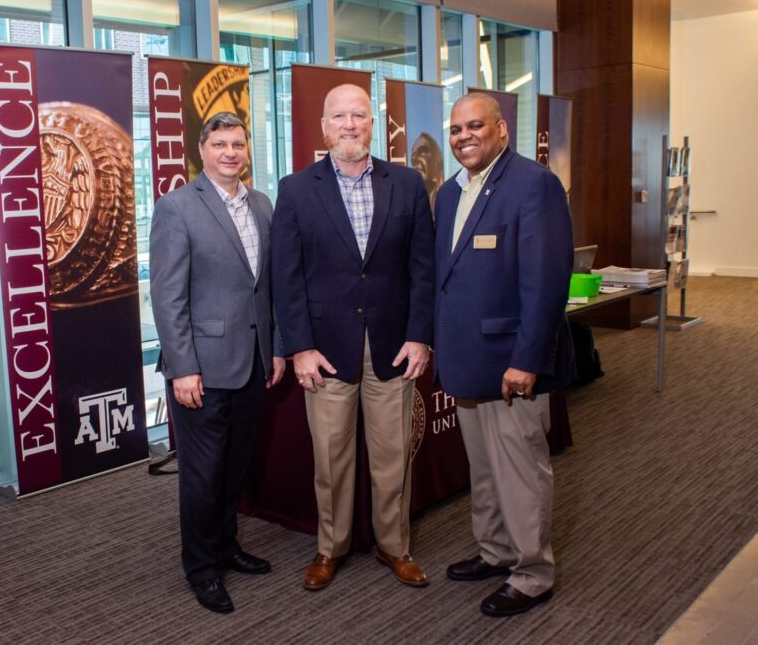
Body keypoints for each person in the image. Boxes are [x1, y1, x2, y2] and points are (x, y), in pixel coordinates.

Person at [271, 84, 436, 591]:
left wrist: (420, 336)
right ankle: (330, 548)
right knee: (332, 460)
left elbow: (423, 269)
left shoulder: (407, 184)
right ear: (324, 127)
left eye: (358, 116)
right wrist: (298, 346)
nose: (349, 124)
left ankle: (394, 546)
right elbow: (287, 276)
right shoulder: (296, 189)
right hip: (324, 351)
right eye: (338, 116)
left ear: (373, 123)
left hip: (393, 345)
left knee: (392, 459)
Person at [433, 92, 574, 617]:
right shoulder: (448, 193)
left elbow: (546, 281)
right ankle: (494, 551)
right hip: (467, 361)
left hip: (512, 364)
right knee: (486, 469)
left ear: (501, 130)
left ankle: (533, 573)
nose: (464, 137)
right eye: (455, 129)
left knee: (520, 471)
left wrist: (528, 359)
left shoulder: (533, 185)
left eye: (475, 126)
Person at [149, 112, 285, 613]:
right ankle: (202, 568)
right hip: (200, 370)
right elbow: (167, 298)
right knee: (202, 475)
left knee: (234, 468)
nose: (230, 152)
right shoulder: (177, 208)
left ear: (247, 150)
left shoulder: (263, 204)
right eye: (220, 144)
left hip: (253, 363)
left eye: (238, 144)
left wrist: (275, 348)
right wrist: (183, 367)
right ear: (202, 151)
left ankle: (227, 546)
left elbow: (266, 287)